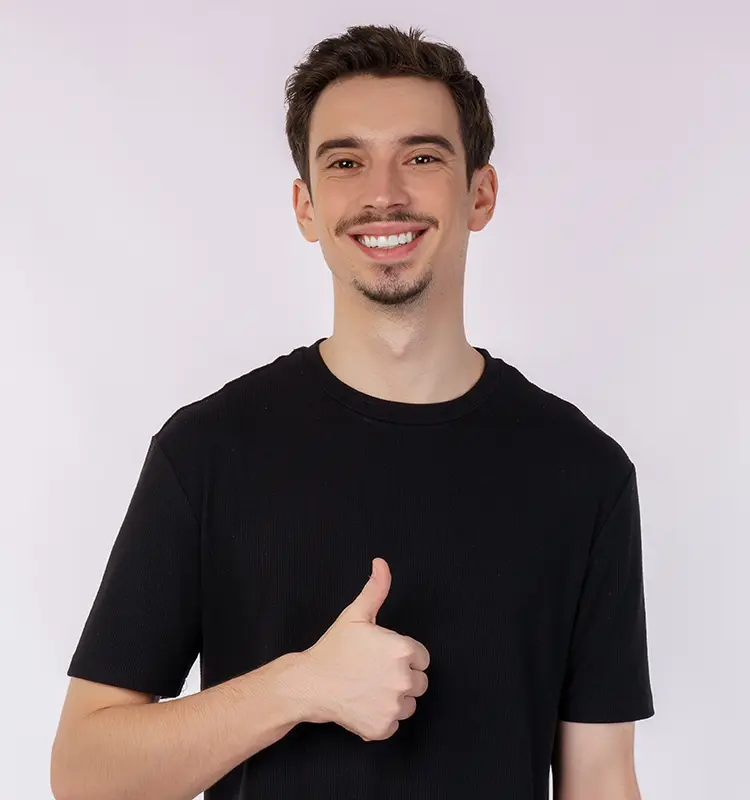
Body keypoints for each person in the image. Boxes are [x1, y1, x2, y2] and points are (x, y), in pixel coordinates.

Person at [50, 23, 654, 800]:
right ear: (306, 206)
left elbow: (601, 779)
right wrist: (300, 687)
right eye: (345, 162)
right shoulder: (207, 452)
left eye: (423, 156)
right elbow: (85, 772)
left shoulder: (585, 474)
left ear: (481, 193)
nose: (384, 193)